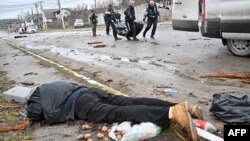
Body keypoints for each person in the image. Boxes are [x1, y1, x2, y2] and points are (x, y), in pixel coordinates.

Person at [27, 81, 202, 141]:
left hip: (80, 104)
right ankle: (182, 106)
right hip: (89, 92)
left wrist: (32, 114)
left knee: (120, 113)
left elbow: (35, 112)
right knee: (131, 102)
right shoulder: (47, 86)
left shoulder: (34, 96)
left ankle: (173, 113)